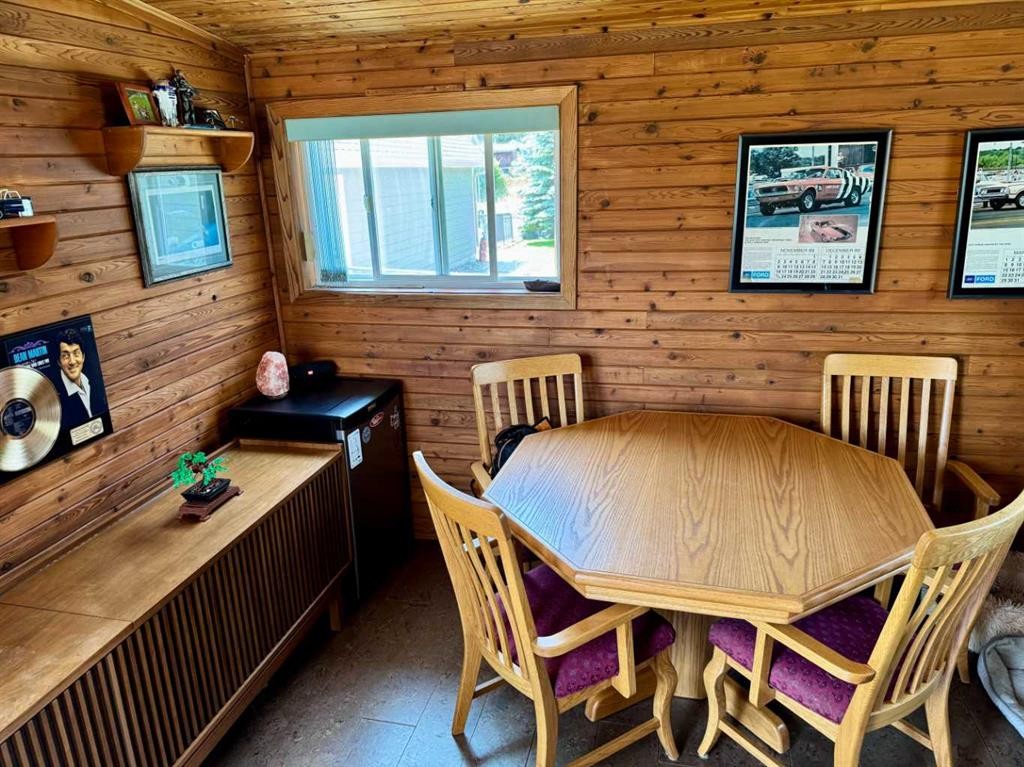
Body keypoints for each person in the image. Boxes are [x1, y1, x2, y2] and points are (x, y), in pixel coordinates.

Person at [57, 328, 93, 429]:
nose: (72, 361)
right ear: (59, 362)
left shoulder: (91, 382)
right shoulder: (55, 397)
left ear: (83, 357)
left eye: (76, 353)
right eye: (65, 356)